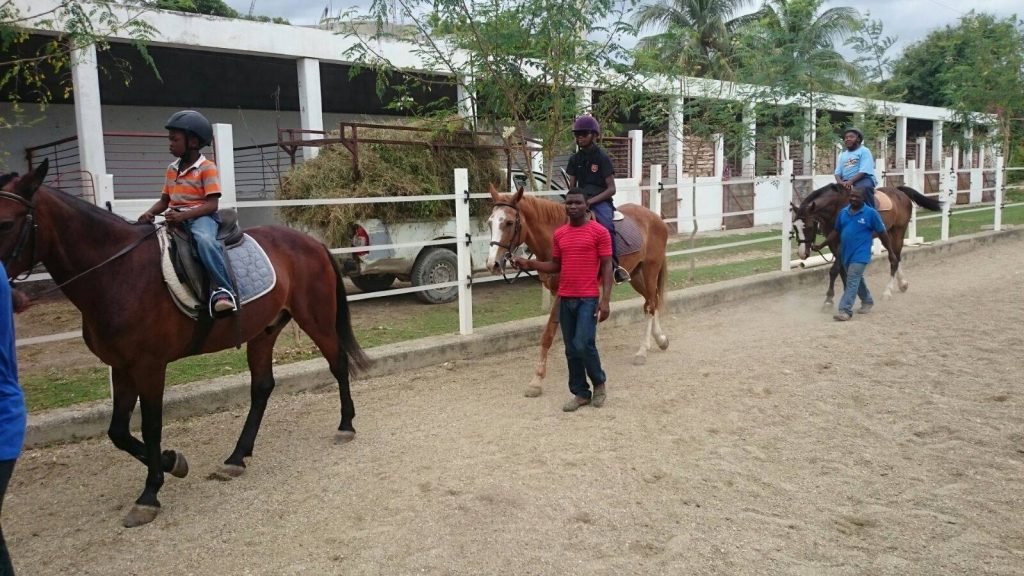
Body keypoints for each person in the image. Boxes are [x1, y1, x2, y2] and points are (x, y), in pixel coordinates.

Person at [513, 188, 613, 411]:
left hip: (588, 298)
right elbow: (555, 265)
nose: (573, 207)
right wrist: (529, 264)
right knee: (570, 348)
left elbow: (606, 265)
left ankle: (599, 383)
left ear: (587, 206)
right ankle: (580, 393)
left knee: (584, 343)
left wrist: (605, 300)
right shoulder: (560, 234)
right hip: (566, 298)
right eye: (569, 203)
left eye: (577, 203)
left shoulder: (600, 232)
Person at [138, 110, 237, 314]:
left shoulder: (207, 168)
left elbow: (212, 205)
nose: (170, 144)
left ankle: (224, 290)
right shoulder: (172, 168)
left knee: (205, 241)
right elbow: (165, 201)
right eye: (170, 139)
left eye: (174, 139)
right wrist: (149, 213)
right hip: (176, 218)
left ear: (192, 141)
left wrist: (183, 216)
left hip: (201, 218)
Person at [812, 188, 897, 321]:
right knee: (857, 279)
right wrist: (822, 245)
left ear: (863, 199)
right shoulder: (843, 213)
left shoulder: (871, 213)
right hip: (846, 253)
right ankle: (867, 301)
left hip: (861, 254)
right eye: (851, 196)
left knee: (852, 279)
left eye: (857, 197)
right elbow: (836, 231)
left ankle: (845, 310)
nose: (853, 199)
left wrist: (890, 252)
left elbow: (883, 234)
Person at [566, 115, 630, 284]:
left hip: (600, 201)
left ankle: (615, 267)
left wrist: (590, 202)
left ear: (594, 135)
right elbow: (572, 186)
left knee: (607, 226)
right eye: (577, 134)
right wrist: (572, 201)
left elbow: (612, 189)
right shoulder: (574, 159)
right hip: (579, 200)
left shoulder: (602, 157)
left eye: (584, 133)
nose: (580, 137)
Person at [835, 127, 878, 209]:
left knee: (863, 189)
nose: (847, 139)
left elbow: (864, 170)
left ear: (858, 139)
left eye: (851, 137)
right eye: (846, 138)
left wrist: (851, 181)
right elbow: (837, 172)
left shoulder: (864, 151)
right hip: (845, 182)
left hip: (863, 179)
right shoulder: (843, 154)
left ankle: (871, 213)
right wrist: (840, 182)